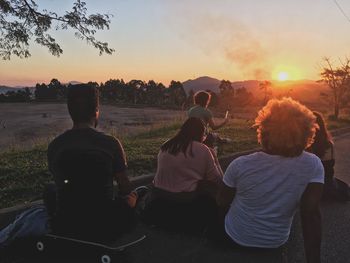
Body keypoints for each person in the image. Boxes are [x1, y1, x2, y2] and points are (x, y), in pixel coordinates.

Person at [217, 98, 324, 263]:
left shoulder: (240, 164)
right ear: (306, 132)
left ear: (263, 131)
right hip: (274, 243)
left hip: (235, 237)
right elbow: (311, 215)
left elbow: (222, 201)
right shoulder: (313, 164)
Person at [46, 84, 137, 242]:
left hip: (64, 226)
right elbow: (124, 186)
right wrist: (128, 201)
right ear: (96, 111)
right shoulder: (110, 144)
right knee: (133, 197)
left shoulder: (55, 146)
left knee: (50, 189)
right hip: (105, 228)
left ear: (70, 111)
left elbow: (63, 183)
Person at [144, 117, 223, 233]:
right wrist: (215, 158)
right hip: (185, 199)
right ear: (201, 133)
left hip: (159, 196)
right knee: (209, 188)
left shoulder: (166, 145)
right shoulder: (203, 149)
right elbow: (218, 180)